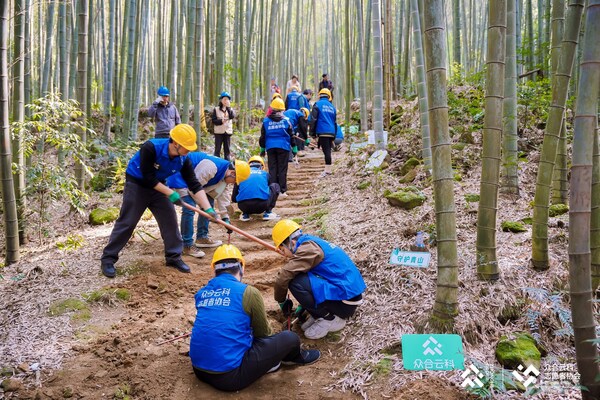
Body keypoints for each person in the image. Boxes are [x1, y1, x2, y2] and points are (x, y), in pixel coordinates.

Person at [190, 244, 320, 392]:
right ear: (241, 267)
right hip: (229, 377)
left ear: (214, 270)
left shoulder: (201, 293)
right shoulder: (248, 292)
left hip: (199, 370)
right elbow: (264, 334)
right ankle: (296, 357)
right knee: (290, 338)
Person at [100, 124, 213, 278]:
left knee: (170, 220)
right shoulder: (151, 148)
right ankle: (108, 259)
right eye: (186, 147)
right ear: (176, 143)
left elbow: (194, 184)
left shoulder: (183, 159)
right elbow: (147, 176)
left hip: (159, 186)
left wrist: (208, 209)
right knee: (128, 221)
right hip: (137, 184)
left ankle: (173, 257)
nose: (188, 151)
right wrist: (171, 193)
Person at [272, 220, 366, 340]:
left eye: (283, 250)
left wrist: (281, 301)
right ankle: (320, 314)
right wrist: (305, 304)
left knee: (295, 282)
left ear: (292, 242)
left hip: (346, 301)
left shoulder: (308, 249)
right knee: (300, 275)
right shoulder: (309, 242)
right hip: (347, 293)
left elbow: (283, 276)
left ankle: (330, 319)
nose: (284, 255)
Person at [167, 154, 250, 249]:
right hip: (180, 178)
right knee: (190, 207)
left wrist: (225, 219)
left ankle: (202, 238)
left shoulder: (224, 173)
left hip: (195, 183)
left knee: (209, 201)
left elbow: (223, 196)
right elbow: (193, 187)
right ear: (232, 173)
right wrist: (206, 208)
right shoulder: (211, 167)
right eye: (235, 181)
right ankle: (187, 245)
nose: (233, 183)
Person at [259, 98, 294, 197]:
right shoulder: (286, 121)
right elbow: (291, 135)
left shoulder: (266, 121)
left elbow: (263, 136)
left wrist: (262, 148)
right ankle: (282, 191)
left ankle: (273, 191)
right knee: (282, 169)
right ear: (282, 110)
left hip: (270, 147)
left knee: (272, 168)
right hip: (283, 147)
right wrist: (294, 147)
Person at [233, 156, 280, 222]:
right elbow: (269, 189)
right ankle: (268, 213)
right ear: (262, 166)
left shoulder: (241, 175)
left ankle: (245, 215)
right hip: (262, 205)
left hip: (243, 206)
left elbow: (234, 198)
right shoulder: (265, 174)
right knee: (275, 186)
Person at [309, 88, 338, 177]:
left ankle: (328, 171)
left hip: (322, 131)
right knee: (327, 150)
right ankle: (327, 169)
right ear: (329, 96)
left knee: (327, 151)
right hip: (331, 131)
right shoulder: (332, 107)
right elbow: (335, 122)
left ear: (319, 95)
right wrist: (334, 135)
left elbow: (313, 119)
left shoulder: (317, 104)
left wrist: (312, 133)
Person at [211, 91, 235, 160]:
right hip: (219, 132)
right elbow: (213, 120)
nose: (226, 101)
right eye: (224, 99)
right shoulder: (216, 109)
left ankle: (227, 165)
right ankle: (216, 164)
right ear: (221, 100)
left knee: (227, 150)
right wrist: (221, 121)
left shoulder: (230, 109)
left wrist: (229, 107)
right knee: (217, 149)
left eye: (227, 99)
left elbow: (232, 116)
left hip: (227, 132)